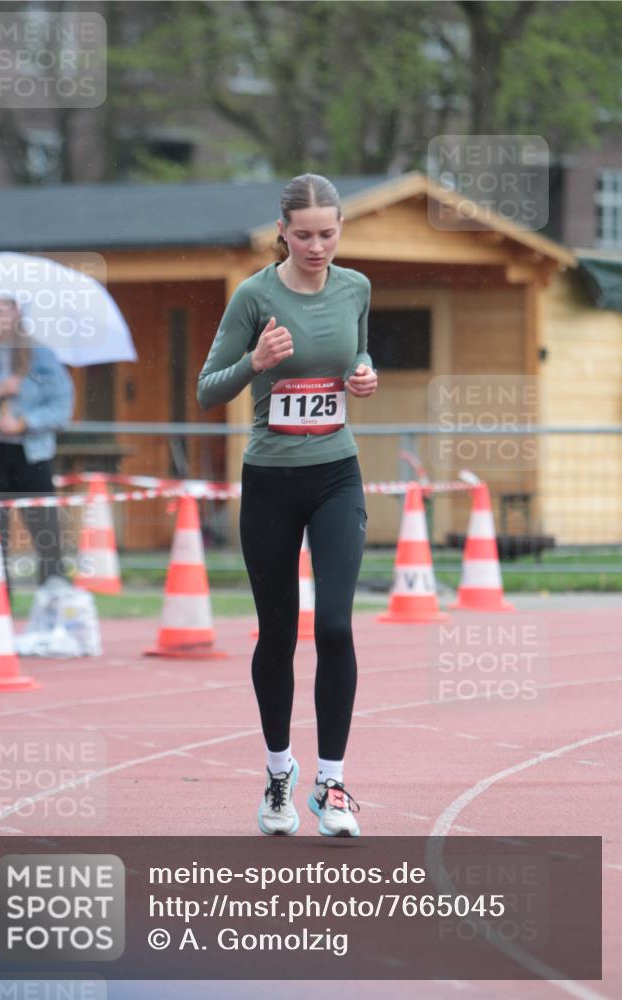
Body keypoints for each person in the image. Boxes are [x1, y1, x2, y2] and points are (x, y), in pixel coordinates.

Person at [197, 173, 378, 837]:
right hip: (271, 480)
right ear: (281, 232)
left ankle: (330, 785)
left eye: (327, 233)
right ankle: (279, 772)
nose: (316, 245)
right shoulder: (254, 295)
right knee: (277, 633)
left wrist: (363, 374)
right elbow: (206, 391)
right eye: (303, 234)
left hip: (336, 475)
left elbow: (355, 349)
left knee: (333, 626)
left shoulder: (355, 287)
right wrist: (255, 361)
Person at [0, 295, 74, 592]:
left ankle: (54, 604)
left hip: (30, 453)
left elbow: (62, 407)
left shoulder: (42, 356)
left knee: (47, 535)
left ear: (16, 311)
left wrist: (24, 423)